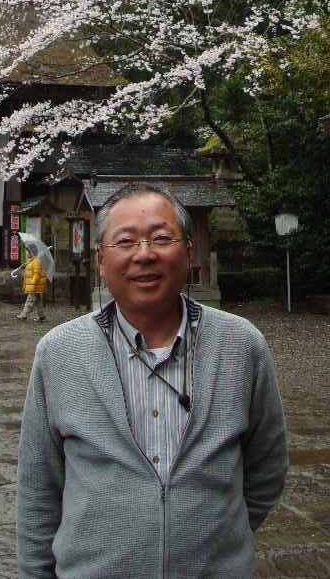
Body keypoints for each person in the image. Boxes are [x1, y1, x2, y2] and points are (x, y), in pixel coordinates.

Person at [17, 181, 288, 579]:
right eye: (125, 242)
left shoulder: (240, 344)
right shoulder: (59, 353)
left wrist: (213, 534)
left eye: (161, 238)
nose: (144, 255)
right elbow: (38, 489)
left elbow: (267, 467)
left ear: (189, 252)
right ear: (100, 259)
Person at [17, 248, 48, 323]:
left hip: (35, 285)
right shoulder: (32, 261)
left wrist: (33, 284)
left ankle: (24, 314)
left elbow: (36, 274)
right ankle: (41, 315)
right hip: (35, 286)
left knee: (29, 301)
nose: (26, 254)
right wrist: (24, 266)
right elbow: (30, 270)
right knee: (38, 301)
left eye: (27, 252)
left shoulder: (36, 261)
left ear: (32, 253)